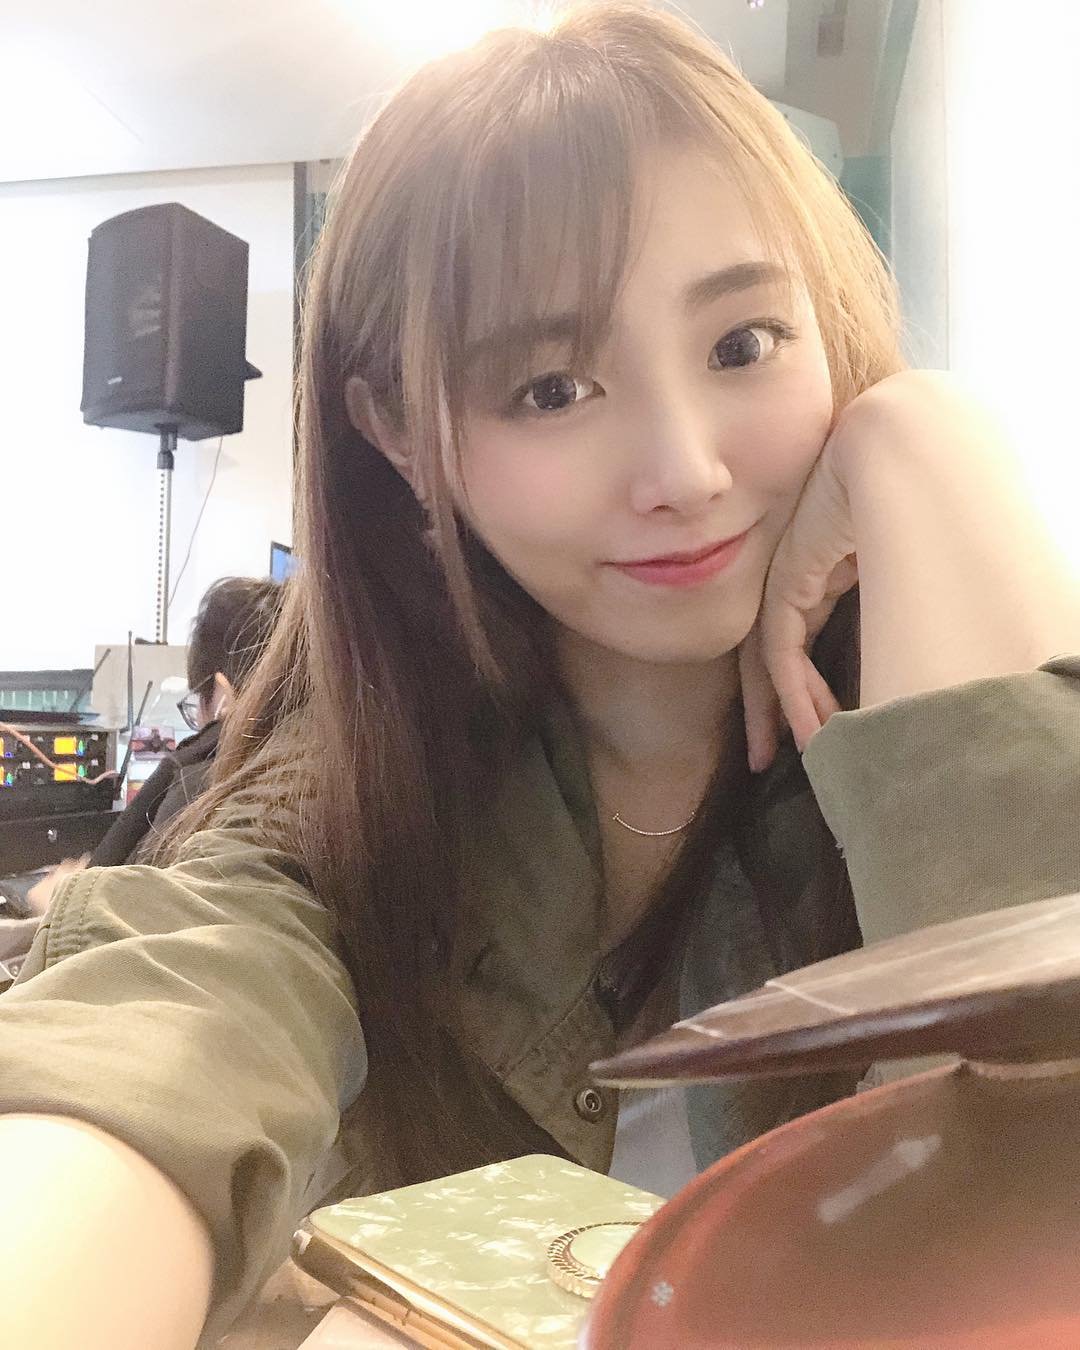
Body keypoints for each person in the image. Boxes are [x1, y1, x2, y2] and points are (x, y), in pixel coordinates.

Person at [1, 5, 1078, 1348]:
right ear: (402, 432)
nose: (686, 470)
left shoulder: (906, 678)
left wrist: (925, 437)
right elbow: (169, 1034)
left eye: (744, 343)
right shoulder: (353, 790)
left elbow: (1040, 1120)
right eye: (552, 389)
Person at [19, 577, 284, 918]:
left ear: (222, 695)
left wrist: (58, 901)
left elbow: (116, 932)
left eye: (195, 706)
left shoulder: (200, 783)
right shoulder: (317, 779)